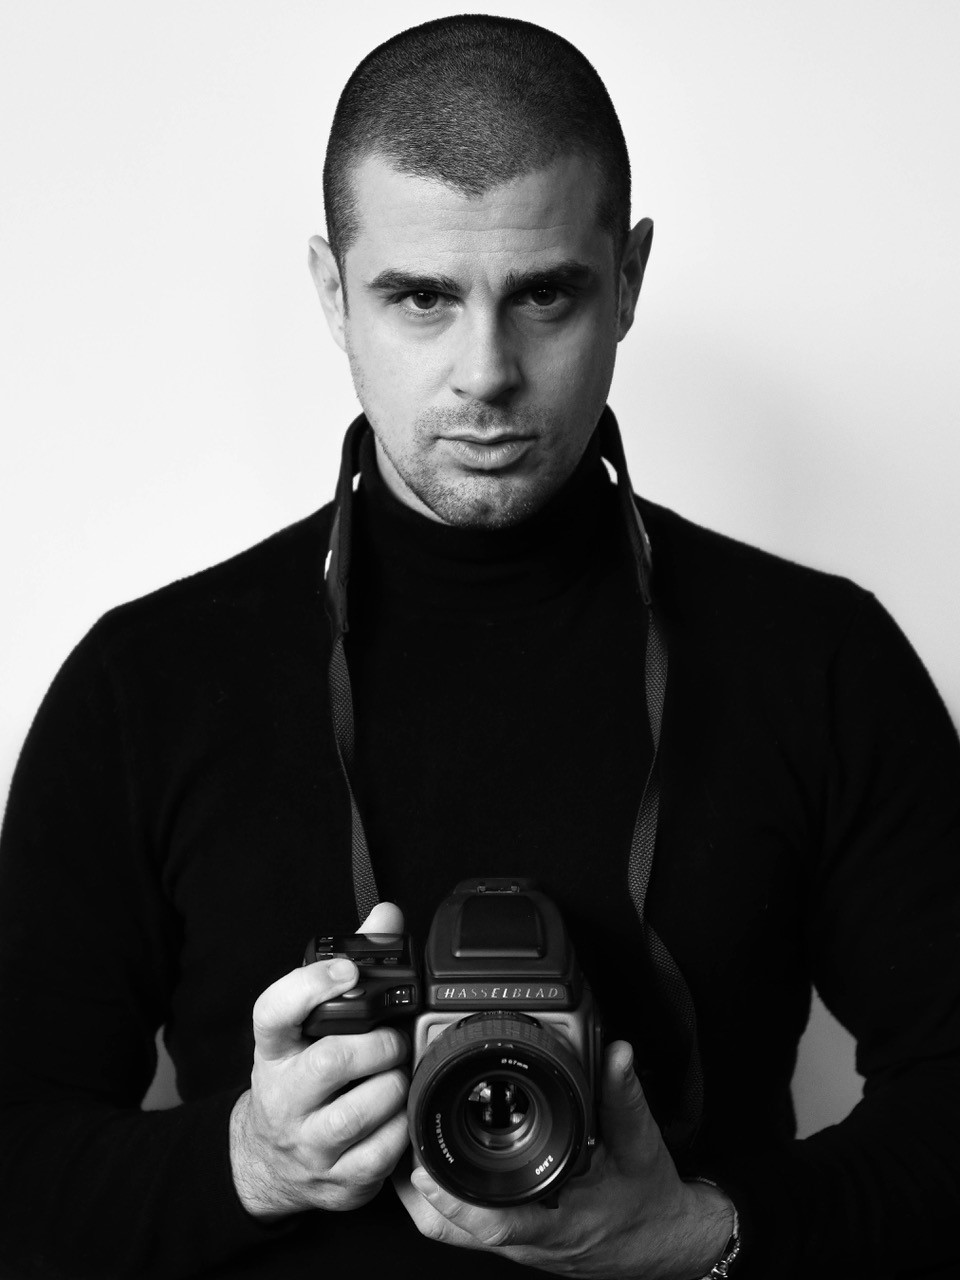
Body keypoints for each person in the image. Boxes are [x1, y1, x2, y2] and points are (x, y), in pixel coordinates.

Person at [0, 13, 958, 1279]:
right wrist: (246, 1160)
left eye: (546, 292)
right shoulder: (146, 684)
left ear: (629, 277)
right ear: (332, 292)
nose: (486, 373)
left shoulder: (820, 659)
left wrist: (696, 1234)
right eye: (421, 297)